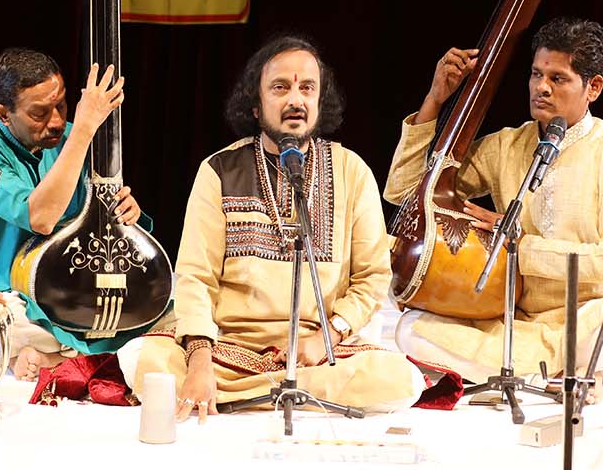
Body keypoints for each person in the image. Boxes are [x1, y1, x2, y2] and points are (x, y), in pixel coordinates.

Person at [122, 36, 425, 420]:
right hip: (226, 346)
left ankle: (245, 398)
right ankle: (284, 394)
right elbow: (195, 278)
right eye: (280, 87)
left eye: (307, 88)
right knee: (144, 361)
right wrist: (199, 362)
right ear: (255, 103)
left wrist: (327, 336)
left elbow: (372, 276)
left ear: (319, 101)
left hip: (317, 350)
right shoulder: (219, 170)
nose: (295, 100)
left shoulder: (352, 170)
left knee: (400, 379)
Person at [384, 17, 603, 384]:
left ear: (593, 87)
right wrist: (434, 101)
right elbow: (408, 196)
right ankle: (555, 375)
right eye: (535, 75)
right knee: (412, 329)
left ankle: (534, 374)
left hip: (592, 316)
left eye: (557, 79)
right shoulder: (507, 146)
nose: (541, 88)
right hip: (521, 323)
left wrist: (519, 247)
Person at [0, 47, 158, 380]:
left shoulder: (71, 137)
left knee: (163, 309)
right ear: (4, 114)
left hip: (66, 294)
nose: (57, 121)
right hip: (4, 300)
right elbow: (40, 217)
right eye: (39, 113)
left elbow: (98, 226)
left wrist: (125, 212)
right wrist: (86, 129)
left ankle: (52, 356)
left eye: (61, 105)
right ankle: (66, 355)